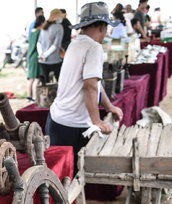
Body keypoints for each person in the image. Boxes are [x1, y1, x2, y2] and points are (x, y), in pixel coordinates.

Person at [47, 1, 123, 174]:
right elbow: (90, 87)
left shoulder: (75, 43)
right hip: (71, 125)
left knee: (59, 178)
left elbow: (94, 83)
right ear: (102, 27)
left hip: (57, 119)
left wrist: (109, 106)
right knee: (69, 179)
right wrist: (96, 121)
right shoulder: (94, 47)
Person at [38, 8, 64, 84]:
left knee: (45, 84)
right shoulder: (59, 27)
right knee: (60, 82)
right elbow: (56, 45)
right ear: (58, 17)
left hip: (42, 60)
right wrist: (45, 55)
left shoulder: (44, 26)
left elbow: (38, 42)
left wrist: (41, 55)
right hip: (54, 60)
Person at [27, 15, 46, 102]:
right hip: (36, 56)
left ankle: (29, 97)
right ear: (42, 22)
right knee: (37, 78)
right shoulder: (39, 32)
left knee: (31, 78)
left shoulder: (32, 32)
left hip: (30, 56)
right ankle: (34, 97)